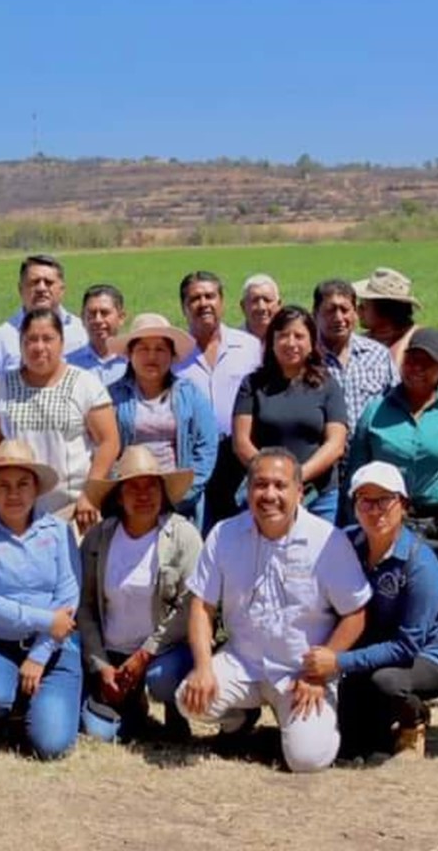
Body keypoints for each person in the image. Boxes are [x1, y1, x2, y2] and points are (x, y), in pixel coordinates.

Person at [176, 448, 370, 774]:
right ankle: (240, 719)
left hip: (301, 675)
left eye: (280, 486)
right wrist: (204, 666)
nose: (269, 495)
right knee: (188, 699)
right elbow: (201, 605)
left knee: (306, 759)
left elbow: (356, 612)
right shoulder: (224, 535)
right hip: (244, 662)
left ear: (299, 491)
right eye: (260, 485)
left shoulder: (327, 541)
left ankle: (311, 726)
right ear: (248, 490)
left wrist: (324, 667)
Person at [303, 462, 438, 761]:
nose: (375, 510)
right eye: (365, 500)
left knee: (386, 682)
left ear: (402, 505)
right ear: (354, 507)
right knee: (349, 750)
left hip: (422, 655)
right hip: (373, 647)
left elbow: (408, 645)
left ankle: (412, 715)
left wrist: (338, 661)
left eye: (384, 500)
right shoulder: (345, 542)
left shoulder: (420, 563)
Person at [0, 440, 82, 760]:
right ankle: (8, 711)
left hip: (53, 649)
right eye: (4, 485)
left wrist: (39, 654)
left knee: (50, 746)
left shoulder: (59, 531)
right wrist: (46, 620)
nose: (14, 493)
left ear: (37, 488)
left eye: (23, 484)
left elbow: (68, 596)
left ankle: (39, 704)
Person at [77, 446, 203, 742]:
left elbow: (190, 606)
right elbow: (85, 606)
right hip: (111, 653)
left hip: (163, 652)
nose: (143, 495)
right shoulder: (97, 538)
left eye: (151, 487)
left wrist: (146, 653)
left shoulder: (183, 536)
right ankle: (129, 707)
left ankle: (176, 711)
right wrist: (100, 664)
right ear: (119, 496)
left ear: (163, 493)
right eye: (133, 487)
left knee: (162, 679)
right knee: (99, 734)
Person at [0, 309, 119, 529]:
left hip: (73, 509)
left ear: (61, 342)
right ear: (21, 344)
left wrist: (90, 495)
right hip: (16, 514)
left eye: (48, 339)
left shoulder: (85, 384)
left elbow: (109, 442)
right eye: (31, 340)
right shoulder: (1, 387)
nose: (39, 347)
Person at [232, 306, 347, 523]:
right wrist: (274, 480)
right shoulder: (252, 384)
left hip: (318, 497)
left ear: (312, 343)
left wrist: (296, 477)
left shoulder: (328, 385)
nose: (291, 343)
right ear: (272, 342)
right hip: (267, 495)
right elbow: (241, 442)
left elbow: (336, 444)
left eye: (299, 336)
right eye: (283, 335)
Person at [106, 314, 217, 525]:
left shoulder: (190, 394)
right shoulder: (113, 396)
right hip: (128, 503)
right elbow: (102, 447)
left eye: (160, 349)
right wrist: (122, 493)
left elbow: (206, 447)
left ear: (172, 355)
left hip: (181, 504)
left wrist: (182, 492)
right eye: (143, 349)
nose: (152, 356)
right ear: (130, 353)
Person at [174, 271, 262, 530]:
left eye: (210, 296)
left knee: (240, 531)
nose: (204, 303)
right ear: (184, 307)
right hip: (193, 459)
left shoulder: (249, 347)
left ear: (221, 301)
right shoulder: (175, 354)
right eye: (195, 298)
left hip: (238, 456)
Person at [347, 327, 438, 538]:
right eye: (411, 360)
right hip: (384, 519)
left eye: (426, 362)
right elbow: (356, 472)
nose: (416, 368)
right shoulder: (375, 410)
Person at [0, 255, 88, 397]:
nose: (41, 288)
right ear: (20, 289)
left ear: (62, 289)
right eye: (34, 282)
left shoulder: (82, 331)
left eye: (48, 282)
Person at [314, 279, 398, 439]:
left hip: (370, 455)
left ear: (355, 313)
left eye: (344, 310)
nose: (338, 318)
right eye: (330, 311)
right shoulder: (306, 357)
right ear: (315, 313)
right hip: (321, 456)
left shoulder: (378, 355)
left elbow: (398, 404)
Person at [355, 267, 421, 370]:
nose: (357, 310)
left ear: (384, 311)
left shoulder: (419, 342)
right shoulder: (358, 342)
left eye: (364, 306)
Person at [67, 284, 128, 387]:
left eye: (104, 313)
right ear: (82, 318)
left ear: (121, 317)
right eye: (92, 313)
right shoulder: (68, 365)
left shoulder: (135, 363)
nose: (98, 320)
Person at [240, 273, 282, 343]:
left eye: (267, 300)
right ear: (243, 306)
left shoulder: (288, 343)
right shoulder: (232, 341)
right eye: (254, 301)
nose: (261, 307)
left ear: (279, 305)